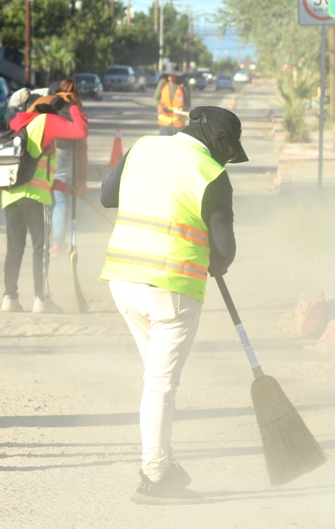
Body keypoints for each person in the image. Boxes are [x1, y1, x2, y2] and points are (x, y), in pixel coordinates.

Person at [98, 106, 247, 504]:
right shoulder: (212, 174)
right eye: (228, 149)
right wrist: (218, 261)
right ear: (219, 141)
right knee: (161, 384)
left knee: (155, 379)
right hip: (172, 288)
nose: (227, 157)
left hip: (123, 279)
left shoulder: (143, 147)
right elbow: (225, 249)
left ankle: (161, 460)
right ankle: (156, 475)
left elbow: (106, 195)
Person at [0, 92, 88, 314]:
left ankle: (9, 298)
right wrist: (74, 106)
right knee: (42, 249)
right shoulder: (46, 121)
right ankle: (41, 299)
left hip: (11, 196)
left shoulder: (22, 125)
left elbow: (32, 167)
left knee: (14, 249)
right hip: (36, 198)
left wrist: (61, 186)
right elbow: (79, 131)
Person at [49, 78, 89, 256]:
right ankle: (57, 243)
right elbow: (82, 145)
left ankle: (43, 241)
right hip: (66, 154)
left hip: (46, 150)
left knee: (45, 197)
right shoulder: (75, 110)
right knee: (61, 200)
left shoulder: (50, 105)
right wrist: (82, 178)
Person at [153, 72, 191, 136]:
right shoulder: (162, 84)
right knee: (164, 144)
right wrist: (158, 106)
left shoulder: (183, 86)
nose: (169, 78)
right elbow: (155, 99)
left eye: (172, 76)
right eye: (168, 76)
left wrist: (183, 108)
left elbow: (188, 103)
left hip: (179, 125)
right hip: (164, 124)